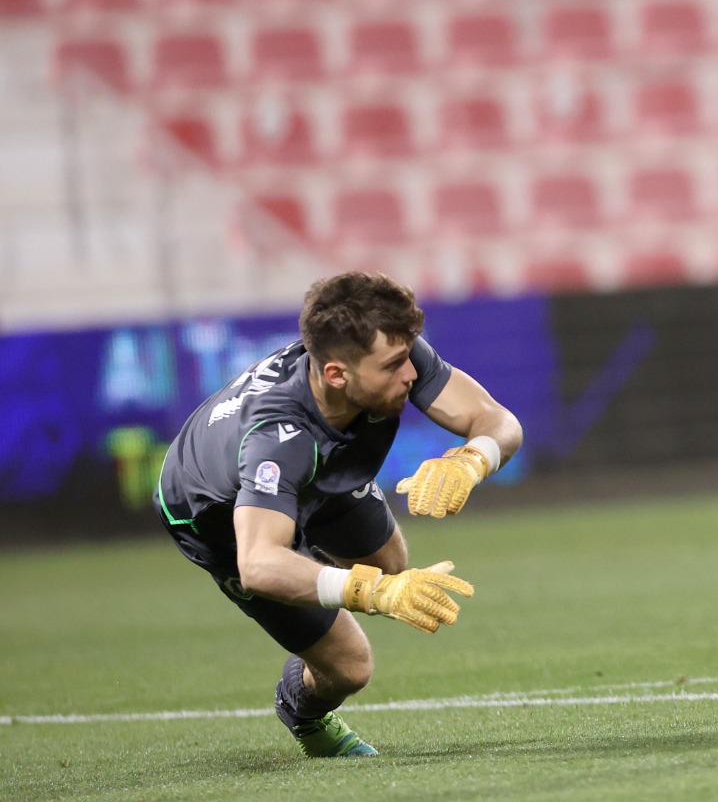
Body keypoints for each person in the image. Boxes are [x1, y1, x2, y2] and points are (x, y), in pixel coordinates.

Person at [154, 272, 524, 756]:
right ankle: (300, 708)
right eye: (392, 366)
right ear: (336, 375)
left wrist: (472, 460)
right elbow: (258, 562)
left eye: (407, 355)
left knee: (391, 564)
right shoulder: (278, 437)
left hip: (317, 474)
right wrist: (370, 592)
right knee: (351, 667)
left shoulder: (391, 353)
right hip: (215, 514)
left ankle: (309, 568)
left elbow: (498, 419)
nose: (410, 375)